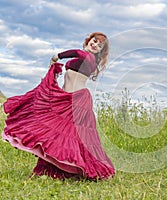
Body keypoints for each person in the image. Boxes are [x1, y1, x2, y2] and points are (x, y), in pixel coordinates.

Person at [2, 32, 115, 180]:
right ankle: (55, 169)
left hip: (77, 101)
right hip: (67, 99)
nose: (95, 45)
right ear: (89, 40)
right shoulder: (84, 58)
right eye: (94, 41)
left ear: (100, 51)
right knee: (55, 134)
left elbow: (77, 52)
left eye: (99, 46)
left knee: (71, 136)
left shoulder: (89, 58)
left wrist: (58, 56)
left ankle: (86, 169)